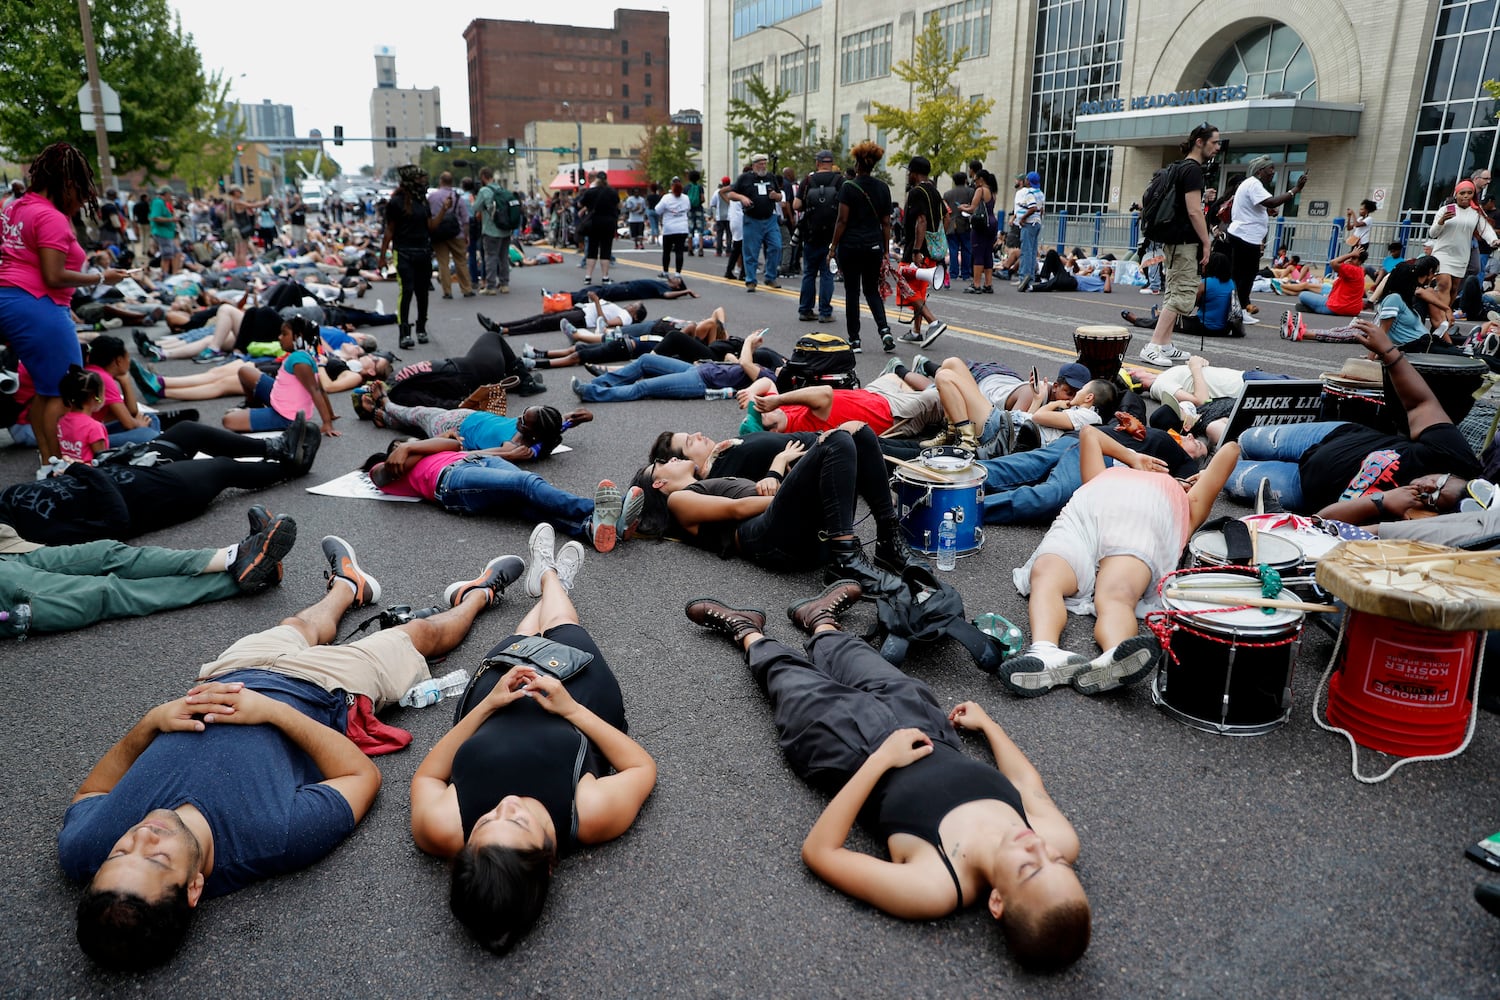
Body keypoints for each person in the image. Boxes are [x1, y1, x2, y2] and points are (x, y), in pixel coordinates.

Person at [58, 537, 501, 970]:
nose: (143, 836)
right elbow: (361, 778)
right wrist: (272, 712)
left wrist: (151, 722)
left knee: (303, 624)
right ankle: (478, 594)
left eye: (120, 853)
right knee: (418, 633)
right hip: (327, 689)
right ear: (193, 888)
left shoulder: (85, 849)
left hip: (231, 672)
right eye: (157, 858)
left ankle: (349, 586)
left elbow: (92, 790)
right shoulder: (274, 838)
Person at [683, 586, 1090, 971]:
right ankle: (820, 621)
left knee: (791, 681)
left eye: (1029, 868)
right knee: (860, 660)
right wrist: (989, 726)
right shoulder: (1059, 840)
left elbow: (821, 853)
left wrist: (880, 761)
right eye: (1057, 861)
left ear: (997, 902)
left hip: (849, 750)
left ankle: (746, 630)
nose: (1038, 847)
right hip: (925, 726)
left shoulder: (936, 887)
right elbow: (1028, 785)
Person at [409, 532, 657, 952]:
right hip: (578, 695)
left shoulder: (443, 828)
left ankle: (544, 582)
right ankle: (551, 577)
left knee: (519, 644)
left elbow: (429, 774)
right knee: (565, 629)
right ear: (549, 861)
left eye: (486, 822)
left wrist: (488, 704)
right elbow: (641, 768)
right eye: (520, 822)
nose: (506, 804)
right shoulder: (590, 816)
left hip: (495, 696)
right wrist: (569, 709)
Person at [1001, 424, 1241, 698]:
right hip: (1084, 519)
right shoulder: (1103, 475)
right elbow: (1089, 433)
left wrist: (1203, 475)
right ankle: (1045, 653)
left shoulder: (1187, 500)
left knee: (1116, 595)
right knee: (1046, 573)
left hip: (1142, 528)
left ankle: (1115, 657)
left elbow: (1231, 449)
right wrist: (1133, 457)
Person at [1226, 319, 1483, 514]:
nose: (1427, 488)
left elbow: (1323, 519)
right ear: (1457, 477)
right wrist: (1390, 353)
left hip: (1302, 487)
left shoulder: (1415, 519)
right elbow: (1420, 404)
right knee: (1246, 439)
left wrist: (1381, 504)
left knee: (1223, 474)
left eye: (1433, 498)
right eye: (1438, 483)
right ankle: (1217, 433)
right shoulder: (1457, 458)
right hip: (1333, 436)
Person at [632, 424, 921, 594]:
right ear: (658, 484)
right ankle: (844, 559)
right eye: (662, 464)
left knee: (857, 431)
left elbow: (760, 495)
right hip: (763, 537)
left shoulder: (709, 478)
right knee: (837, 439)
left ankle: (887, 540)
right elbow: (738, 508)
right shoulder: (679, 499)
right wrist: (794, 492)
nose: (669, 460)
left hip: (781, 528)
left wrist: (780, 468)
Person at [0, 142, 130, 462]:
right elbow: (54, 275)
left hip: (14, 299)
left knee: (46, 392)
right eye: (82, 194)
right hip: (36, 305)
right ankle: (60, 468)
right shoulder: (50, 217)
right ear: (68, 184)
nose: (82, 202)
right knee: (64, 392)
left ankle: (51, 464)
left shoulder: (14, 206)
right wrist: (102, 278)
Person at [0, 508, 295, 638]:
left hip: (7, 547)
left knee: (107, 553)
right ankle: (251, 573)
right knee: (104, 591)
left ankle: (235, 557)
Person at [365, 438, 639, 553]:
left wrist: (411, 445)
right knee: (526, 483)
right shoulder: (385, 472)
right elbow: (383, 473)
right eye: (399, 446)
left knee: (525, 504)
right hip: (450, 481)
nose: (405, 447)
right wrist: (400, 451)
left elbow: (453, 443)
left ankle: (592, 529)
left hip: (476, 460)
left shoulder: (420, 447)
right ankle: (597, 510)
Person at [1141, 123, 1218, 367]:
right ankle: (1153, 345)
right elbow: (1195, 211)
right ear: (1200, 142)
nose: (1218, 147)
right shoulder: (1193, 170)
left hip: (1174, 242)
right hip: (1185, 243)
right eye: (1214, 142)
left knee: (1173, 292)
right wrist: (1206, 242)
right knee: (1181, 294)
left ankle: (1164, 344)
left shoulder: (1180, 168)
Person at [740, 369, 942, 439]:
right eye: (760, 414)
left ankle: (914, 374)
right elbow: (825, 393)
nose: (761, 407)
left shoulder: (780, 410)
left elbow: (767, 383)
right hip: (893, 414)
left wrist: (751, 391)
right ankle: (933, 383)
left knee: (893, 375)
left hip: (872, 394)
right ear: (773, 432)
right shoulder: (800, 429)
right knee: (938, 395)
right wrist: (778, 399)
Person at [222, 316, 339, 436]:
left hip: (287, 416)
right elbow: (320, 387)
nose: (279, 337)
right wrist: (330, 414)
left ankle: (261, 414)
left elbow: (316, 390)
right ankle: (254, 405)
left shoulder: (300, 362)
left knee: (228, 420)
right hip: (279, 396)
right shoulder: (304, 355)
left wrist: (327, 423)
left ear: (298, 337)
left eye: (284, 334)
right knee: (245, 371)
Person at [829, 141, 893, 353]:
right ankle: (884, 331)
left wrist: (832, 248)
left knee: (852, 292)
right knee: (872, 290)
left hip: (850, 246)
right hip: (874, 246)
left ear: (857, 164)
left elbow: (842, 220)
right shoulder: (883, 188)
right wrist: (885, 250)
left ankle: (855, 340)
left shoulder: (848, 187)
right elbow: (886, 223)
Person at [1226, 156, 1306, 322]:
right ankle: (1239, 310)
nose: (1273, 172)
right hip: (1246, 237)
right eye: (1270, 169)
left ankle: (1235, 308)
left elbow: (1257, 206)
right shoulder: (1254, 183)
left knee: (1240, 275)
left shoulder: (1249, 184)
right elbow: (1271, 201)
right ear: (1260, 171)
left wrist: (1266, 212)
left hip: (1242, 235)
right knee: (1246, 276)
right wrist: (1295, 189)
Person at [379, 165, 447, 350]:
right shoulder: (395, 203)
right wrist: (383, 256)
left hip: (423, 252)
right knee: (407, 291)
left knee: (422, 292)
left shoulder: (422, 202)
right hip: (403, 253)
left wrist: (443, 211)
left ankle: (421, 329)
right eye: (420, 180)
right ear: (411, 182)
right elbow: (389, 230)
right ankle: (404, 333)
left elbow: (431, 227)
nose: (424, 184)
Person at [1119, 251, 1240, 337]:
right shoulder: (1231, 283)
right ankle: (1159, 315)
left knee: (1170, 321)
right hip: (1225, 329)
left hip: (1206, 327)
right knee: (1176, 318)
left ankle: (1138, 320)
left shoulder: (1204, 283)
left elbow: (1187, 307)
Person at [1429, 180, 1497, 309]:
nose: (1466, 196)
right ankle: (1442, 317)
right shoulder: (1445, 210)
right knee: (1444, 284)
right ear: (1456, 194)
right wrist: (1442, 221)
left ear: (1473, 195)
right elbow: (1432, 234)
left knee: (1454, 288)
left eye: (1469, 193)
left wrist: (1494, 240)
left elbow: (1486, 230)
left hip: (1461, 255)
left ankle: (1444, 315)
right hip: (1442, 253)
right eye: (1462, 193)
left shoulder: (1475, 213)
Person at [795, 151, 841, 324]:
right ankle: (825, 312)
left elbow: (796, 205)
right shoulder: (839, 181)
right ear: (831, 163)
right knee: (827, 274)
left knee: (809, 273)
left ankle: (805, 310)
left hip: (811, 234)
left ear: (818, 163)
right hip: (832, 237)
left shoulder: (808, 181)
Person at [729, 153, 784, 293]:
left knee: (776, 246)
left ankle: (770, 277)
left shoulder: (771, 177)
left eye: (765, 163)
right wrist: (742, 198)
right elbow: (731, 194)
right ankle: (751, 280)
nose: (763, 166)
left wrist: (775, 196)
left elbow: (779, 196)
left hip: (770, 219)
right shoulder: (745, 178)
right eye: (760, 163)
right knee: (751, 251)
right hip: (752, 219)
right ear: (754, 165)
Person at [473, 167, 519, 297]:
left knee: (491, 257)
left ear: (483, 177)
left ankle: (491, 286)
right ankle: (504, 284)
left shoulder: (484, 191)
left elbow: (475, 208)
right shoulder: (501, 189)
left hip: (491, 230)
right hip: (505, 230)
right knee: (503, 257)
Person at [429, 171, 473, 300]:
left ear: (440, 181)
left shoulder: (432, 197)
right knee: (461, 261)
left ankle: (447, 291)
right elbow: (465, 219)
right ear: (452, 182)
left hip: (438, 233)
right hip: (456, 233)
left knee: (443, 263)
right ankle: (466, 289)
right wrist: (466, 235)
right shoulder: (457, 197)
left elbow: (428, 215)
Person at [55, 365, 110, 464]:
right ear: (95, 397)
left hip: (66, 471)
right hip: (88, 476)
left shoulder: (61, 421)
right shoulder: (95, 427)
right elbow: (102, 461)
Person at [1296, 247, 1368, 316]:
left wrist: (1351, 254)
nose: (1350, 260)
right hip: (1353, 309)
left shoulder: (1352, 270)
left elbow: (1333, 262)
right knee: (1318, 295)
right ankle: (1312, 307)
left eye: (1354, 258)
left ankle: (1313, 308)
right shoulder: (1359, 270)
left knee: (1303, 295)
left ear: (1360, 261)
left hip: (1338, 307)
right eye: (1351, 258)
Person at [576, 172, 619, 285]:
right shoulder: (612, 192)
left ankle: (588, 276)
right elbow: (618, 205)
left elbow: (580, 204)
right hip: (609, 223)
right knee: (606, 250)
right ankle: (605, 277)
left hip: (594, 223)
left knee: (592, 250)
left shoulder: (590, 192)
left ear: (596, 180)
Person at [963, 168, 998, 294]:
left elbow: (973, 208)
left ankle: (976, 284)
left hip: (981, 225)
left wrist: (962, 207)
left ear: (981, 179)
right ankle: (988, 284)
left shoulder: (980, 190)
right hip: (992, 223)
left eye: (976, 179)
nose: (974, 181)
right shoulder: (992, 191)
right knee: (988, 253)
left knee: (978, 253)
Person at [1014, 171, 1045, 291]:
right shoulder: (1040, 193)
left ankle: (1024, 277)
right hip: (1037, 223)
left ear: (1028, 181)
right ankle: (1030, 277)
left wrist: (1023, 218)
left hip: (1029, 224)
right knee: (1032, 251)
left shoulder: (1029, 193)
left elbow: (1033, 208)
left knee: (1026, 251)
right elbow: (1041, 209)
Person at [566, 274, 695, 303]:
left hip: (626, 290)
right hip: (625, 286)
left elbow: (667, 295)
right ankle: (565, 295)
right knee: (595, 288)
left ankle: (568, 300)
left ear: (677, 286)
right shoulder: (664, 284)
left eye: (676, 279)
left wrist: (686, 291)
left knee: (597, 293)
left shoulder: (665, 288)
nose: (673, 277)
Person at [656, 176, 692, 277]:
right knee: (679, 251)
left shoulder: (666, 198)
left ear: (672, 186)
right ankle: (677, 273)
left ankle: (666, 272)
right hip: (682, 228)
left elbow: (657, 210)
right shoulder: (686, 198)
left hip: (669, 228)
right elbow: (688, 208)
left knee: (666, 251)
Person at [944, 171, 974, 284]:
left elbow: (945, 210)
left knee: (953, 249)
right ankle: (966, 273)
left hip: (951, 223)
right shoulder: (970, 192)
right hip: (964, 223)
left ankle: (953, 273)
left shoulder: (947, 194)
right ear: (965, 180)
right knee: (966, 248)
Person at [149, 186, 181, 277]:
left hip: (168, 233)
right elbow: (155, 217)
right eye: (170, 194)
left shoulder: (163, 203)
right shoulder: (158, 202)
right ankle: (165, 275)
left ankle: (175, 273)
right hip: (162, 233)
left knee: (176, 253)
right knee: (167, 255)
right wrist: (171, 220)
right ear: (166, 194)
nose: (171, 197)